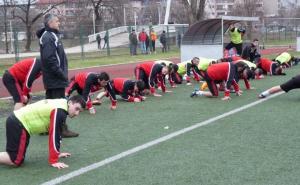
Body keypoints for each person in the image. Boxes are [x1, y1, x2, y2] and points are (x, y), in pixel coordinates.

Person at [0, 95, 86, 169]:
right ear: (70, 103)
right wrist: (54, 160)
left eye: (80, 111)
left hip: (18, 122)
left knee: (17, 158)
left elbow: (58, 132)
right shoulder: (60, 110)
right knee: (15, 160)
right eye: (76, 109)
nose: (77, 113)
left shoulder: (62, 104)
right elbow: (54, 135)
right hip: (19, 123)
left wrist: (57, 154)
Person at [36, 14, 77, 137]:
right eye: (57, 21)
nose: (59, 23)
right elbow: (50, 59)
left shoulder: (51, 35)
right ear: (50, 23)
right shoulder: (48, 37)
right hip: (54, 78)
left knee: (51, 103)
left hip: (53, 77)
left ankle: (47, 127)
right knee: (59, 104)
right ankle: (61, 129)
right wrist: (61, 74)